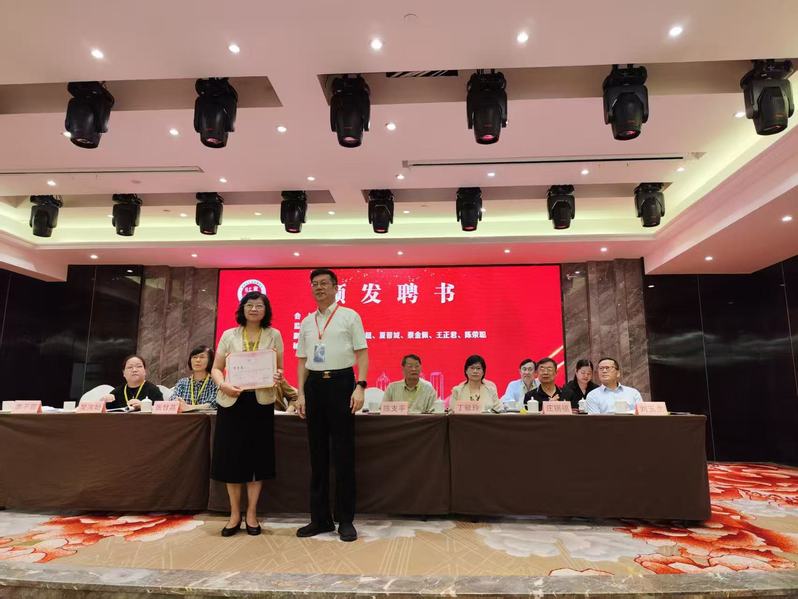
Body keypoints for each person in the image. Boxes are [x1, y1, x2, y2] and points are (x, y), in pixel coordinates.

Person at [295, 268, 368, 542]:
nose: (319, 287)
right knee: (317, 456)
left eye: (324, 283)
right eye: (314, 283)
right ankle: (320, 519)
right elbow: (302, 360)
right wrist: (301, 393)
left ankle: (345, 520)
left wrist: (360, 386)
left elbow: (362, 353)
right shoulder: (307, 321)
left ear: (336, 287)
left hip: (341, 383)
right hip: (314, 385)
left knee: (343, 454)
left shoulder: (350, 316)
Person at [210, 291, 284, 538]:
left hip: (260, 402)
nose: (254, 309)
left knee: (257, 459)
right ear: (242, 309)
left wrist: (278, 375)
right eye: (249, 305)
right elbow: (216, 368)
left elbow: (279, 368)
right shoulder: (229, 335)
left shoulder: (274, 335)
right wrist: (223, 385)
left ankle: (251, 513)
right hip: (232, 401)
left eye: (259, 306)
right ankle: (234, 514)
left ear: (266, 310)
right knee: (231, 459)